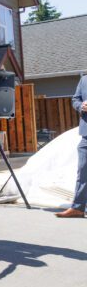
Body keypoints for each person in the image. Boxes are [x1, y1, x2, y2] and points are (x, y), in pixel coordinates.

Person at [55, 75, 87, 218]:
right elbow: (75, 99)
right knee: (83, 171)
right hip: (86, 134)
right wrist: (81, 106)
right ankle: (78, 208)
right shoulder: (84, 80)